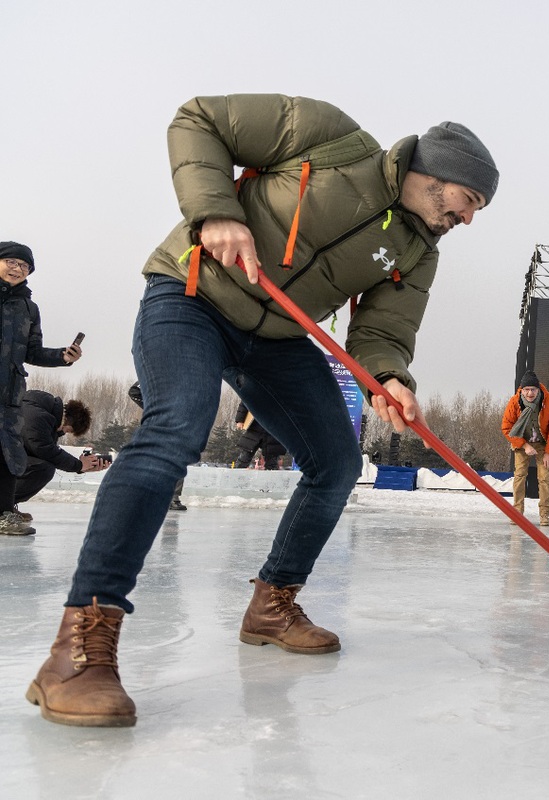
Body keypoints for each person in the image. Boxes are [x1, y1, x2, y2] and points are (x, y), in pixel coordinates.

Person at [26, 94, 499, 728]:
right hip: (193, 291)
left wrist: (387, 376)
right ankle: (77, 649)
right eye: (470, 202)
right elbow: (199, 120)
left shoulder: (417, 251)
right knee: (176, 429)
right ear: (440, 177)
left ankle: (273, 604)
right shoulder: (331, 139)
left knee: (335, 461)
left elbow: (384, 331)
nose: (468, 219)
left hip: (276, 336)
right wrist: (216, 211)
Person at [0, 242, 82, 536]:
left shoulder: (28, 308)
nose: (17, 269)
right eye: (11, 261)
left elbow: (32, 351)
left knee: (7, 454)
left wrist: (62, 356)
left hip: (8, 393)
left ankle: (3, 513)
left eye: (24, 266)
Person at [14, 391, 109, 519]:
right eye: (67, 430)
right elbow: (45, 450)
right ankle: (3, 507)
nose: (63, 433)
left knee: (42, 466)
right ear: (66, 422)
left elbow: (43, 449)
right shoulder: (37, 416)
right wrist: (79, 465)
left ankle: (6, 506)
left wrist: (81, 467)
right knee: (43, 469)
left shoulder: (40, 410)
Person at [501, 371, 549, 526]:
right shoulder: (515, 402)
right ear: (522, 390)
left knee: (544, 478)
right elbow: (507, 428)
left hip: (543, 442)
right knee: (520, 475)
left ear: (538, 389)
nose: (530, 393)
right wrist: (524, 445)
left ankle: (544, 515)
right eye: (526, 389)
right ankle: (517, 513)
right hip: (522, 441)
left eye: (533, 389)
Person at [128, 381, 187, 511]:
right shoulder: (159, 369)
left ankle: (173, 498)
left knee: (177, 460)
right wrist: (155, 409)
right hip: (158, 425)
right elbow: (134, 391)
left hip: (178, 424)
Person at [234, 402, 287, 470]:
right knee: (245, 457)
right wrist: (240, 420)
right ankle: (235, 476)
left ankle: (272, 479)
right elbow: (245, 400)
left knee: (272, 461)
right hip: (256, 426)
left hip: (274, 429)